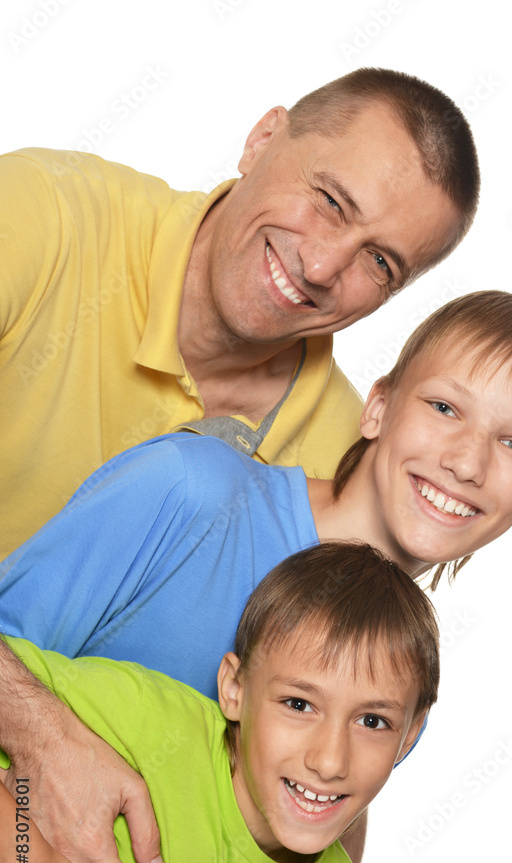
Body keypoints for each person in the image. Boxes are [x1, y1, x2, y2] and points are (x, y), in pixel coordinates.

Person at [0, 290, 512, 863]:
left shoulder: (395, 673)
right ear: (376, 408)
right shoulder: (193, 493)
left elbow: (305, 845)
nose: (467, 461)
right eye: (444, 407)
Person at [0, 67, 479, 562]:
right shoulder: (43, 212)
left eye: (380, 261)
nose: (320, 266)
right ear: (262, 140)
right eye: (330, 201)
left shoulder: (349, 471)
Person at [0, 542, 439, 863]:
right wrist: (22, 854)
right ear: (234, 689)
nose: (329, 761)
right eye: (298, 704)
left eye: (372, 721)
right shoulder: (141, 717)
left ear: (409, 735)